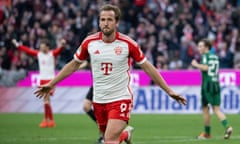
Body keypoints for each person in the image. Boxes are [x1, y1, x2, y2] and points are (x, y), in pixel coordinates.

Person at [34, 4, 187, 144]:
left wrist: (169, 90)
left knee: (109, 140)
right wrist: (51, 83)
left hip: (121, 98)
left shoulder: (128, 44)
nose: (105, 23)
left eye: (109, 19)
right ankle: (126, 135)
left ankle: (122, 134)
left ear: (117, 23)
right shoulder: (89, 43)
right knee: (109, 137)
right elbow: (73, 65)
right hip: (99, 100)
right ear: (99, 22)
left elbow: (148, 67)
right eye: (102, 20)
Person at [12, 38, 66, 128]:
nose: (41, 49)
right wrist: (18, 45)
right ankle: (50, 121)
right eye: (40, 47)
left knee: (46, 100)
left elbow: (59, 49)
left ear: (47, 47)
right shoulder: (39, 54)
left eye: (43, 47)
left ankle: (46, 120)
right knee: (46, 100)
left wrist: (62, 44)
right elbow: (28, 50)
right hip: (42, 80)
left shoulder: (52, 54)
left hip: (51, 80)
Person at [191, 39, 233, 139]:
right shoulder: (215, 56)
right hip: (216, 84)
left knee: (205, 109)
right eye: (198, 46)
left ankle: (207, 133)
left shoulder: (205, 56)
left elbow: (206, 68)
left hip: (208, 85)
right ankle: (227, 126)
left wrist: (196, 64)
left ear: (206, 47)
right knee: (217, 109)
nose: (199, 48)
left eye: (201, 46)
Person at [78, 60, 104, 144]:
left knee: (102, 112)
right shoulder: (91, 54)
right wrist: (74, 68)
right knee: (86, 106)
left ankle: (104, 135)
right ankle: (104, 127)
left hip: (105, 86)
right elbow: (82, 64)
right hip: (95, 86)